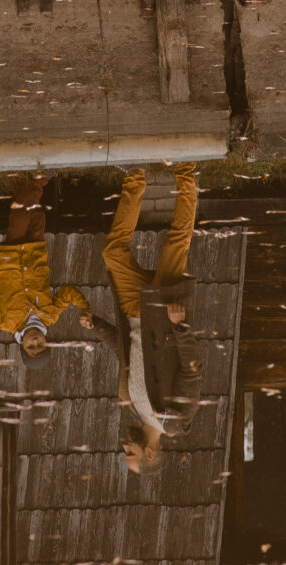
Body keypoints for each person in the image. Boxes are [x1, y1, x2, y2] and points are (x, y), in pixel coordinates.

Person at [92, 162, 202, 474]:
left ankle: (135, 175)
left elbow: (126, 351)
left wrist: (96, 325)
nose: (125, 447)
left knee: (113, 251)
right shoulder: (175, 422)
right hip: (162, 318)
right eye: (131, 453)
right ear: (150, 454)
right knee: (177, 242)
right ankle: (185, 169)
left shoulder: (134, 405)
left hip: (132, 312)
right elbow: (192, 372)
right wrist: (180, 326)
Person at [0, 174, 93, 358]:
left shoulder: (6, 322)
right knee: (36, 212)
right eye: (40, 345)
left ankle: (41, 177)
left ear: (22, 344)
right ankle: (18, 175)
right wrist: (84, 308)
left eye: (30, 347)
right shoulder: (51, 316)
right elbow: (68, 293)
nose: (35, 341)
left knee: (22, 211)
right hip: (35, 251)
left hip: (11, 255)